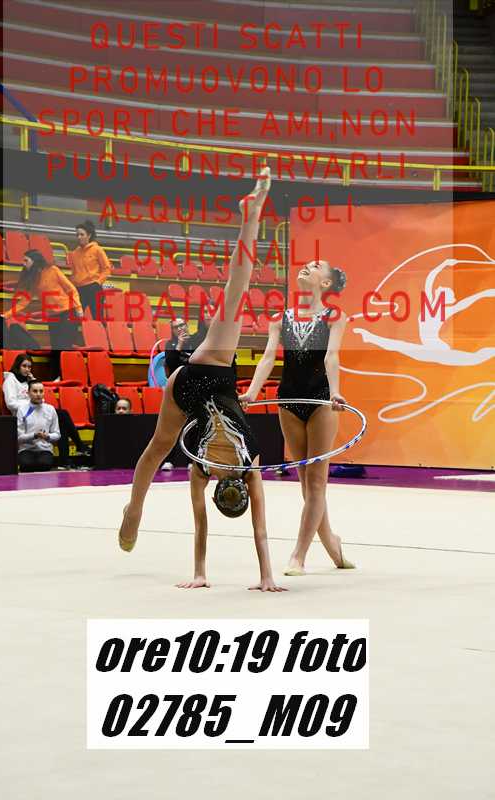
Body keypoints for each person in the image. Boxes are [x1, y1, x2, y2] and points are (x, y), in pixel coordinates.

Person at [119, 167, 285, 592]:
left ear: (218, 489)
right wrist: (266, 576)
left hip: (190, 383)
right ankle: (251, 214)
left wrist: (200, 573)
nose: (229, 485)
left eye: (222, 491)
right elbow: (260, 531)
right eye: (234, 490)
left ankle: (133, 510)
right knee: (237, 290)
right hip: (208, 372)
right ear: (239, 489)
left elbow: (202, 524)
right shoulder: (246, 465)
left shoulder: (204, 467)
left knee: (157, 448)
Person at [240, 260, 354, 575]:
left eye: (316, 267)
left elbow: (331, 356)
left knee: (316, 482)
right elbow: (268, 357)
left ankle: (298, 555)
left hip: (320, 400)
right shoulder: (281, 318)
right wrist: (252, 392)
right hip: (289, 400)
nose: (307, 267)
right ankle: (333, 544)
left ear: (325, 284)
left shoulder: (334, 317)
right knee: (307, 484)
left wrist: (335, 392)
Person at [3, 250, 82, 379]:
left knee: (63, 347)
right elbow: (24, 301)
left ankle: (63, 377)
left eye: (26, 260)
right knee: (55, 348)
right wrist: (6, 315)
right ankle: (56, 377)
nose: (24, 263)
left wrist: (78, 307)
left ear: (34, 261)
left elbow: (71, 289)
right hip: (52, 317)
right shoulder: (34, 279)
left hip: (67, 312)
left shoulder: (53, 270)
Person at [3, 353, 90, 468]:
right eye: (24, 366)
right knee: (62, 415)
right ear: (17, 366)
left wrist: (33, 381)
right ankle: (79, 446)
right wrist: (28, 404)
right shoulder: (10, 380)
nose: (27, 369)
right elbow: (11, 403)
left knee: (61, 421)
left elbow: (41, 400)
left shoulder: (29, 381)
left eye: (29, 367)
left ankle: (65, 458)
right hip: (22, 415)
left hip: (37, 411)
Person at [70, 220, 112, 320]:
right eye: (77, 235)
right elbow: (74, 273)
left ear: (89, 235)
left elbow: (106, 268)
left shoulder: (97, 250)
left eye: (82, 234)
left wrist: (98, 282)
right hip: (79, 289)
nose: (79, 237)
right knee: (74, 319)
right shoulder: (74, 253)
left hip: (93, 288)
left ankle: (102, 331)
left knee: (98, 318)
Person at [17, 380, 60, 472]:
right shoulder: (22, 410)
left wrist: (48, 436)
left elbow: (57, 434)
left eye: (41, 391)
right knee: (26, 465)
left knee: (45, 465)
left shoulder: (50, 409)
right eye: (35, 391)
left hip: (45, 449)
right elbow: (19, 437)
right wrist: (34, 435)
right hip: (26, 449)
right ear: (28, 393)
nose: (38, 394)